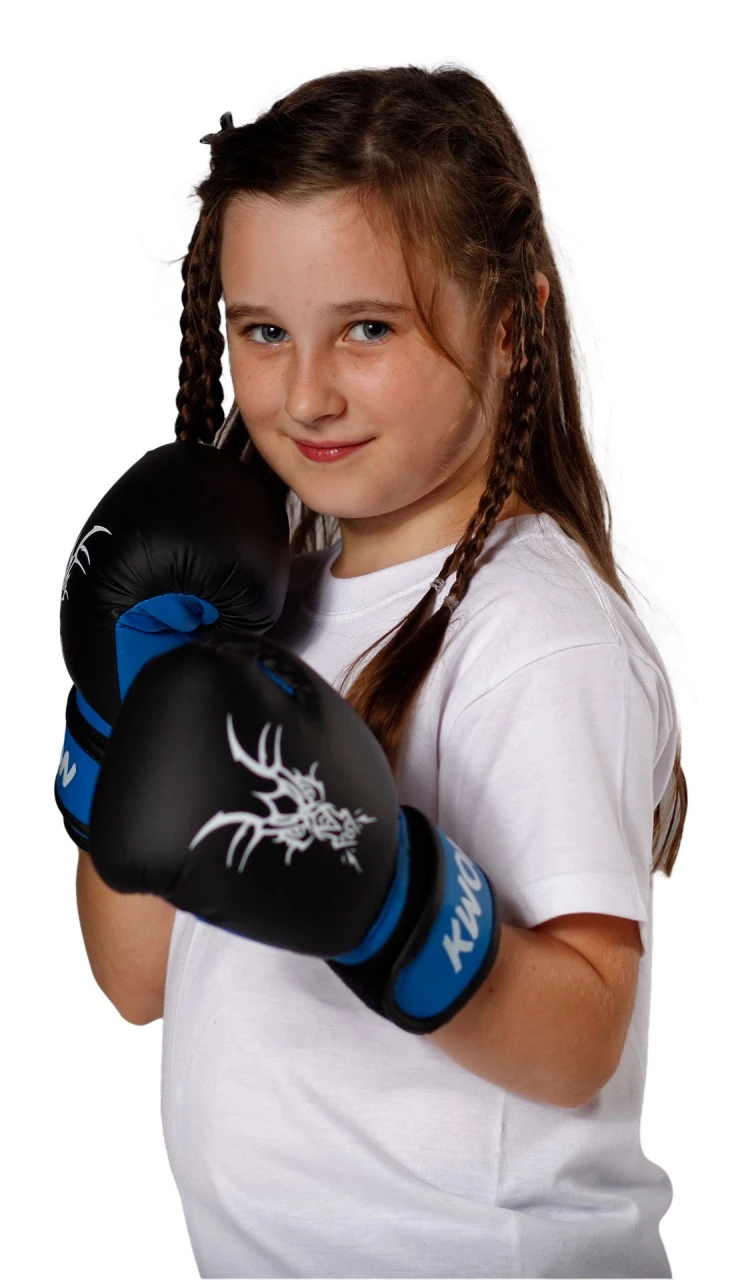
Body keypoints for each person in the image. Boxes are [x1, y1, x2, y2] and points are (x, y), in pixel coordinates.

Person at [71, 64, 688, 1279]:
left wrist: (392, 902)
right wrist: (116, 708)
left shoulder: (536, 636)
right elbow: (135, 977)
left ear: (508, 324)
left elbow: (580, 1040)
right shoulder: (262, 607)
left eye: (368, 327)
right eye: (262, 330)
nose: (305, 393)